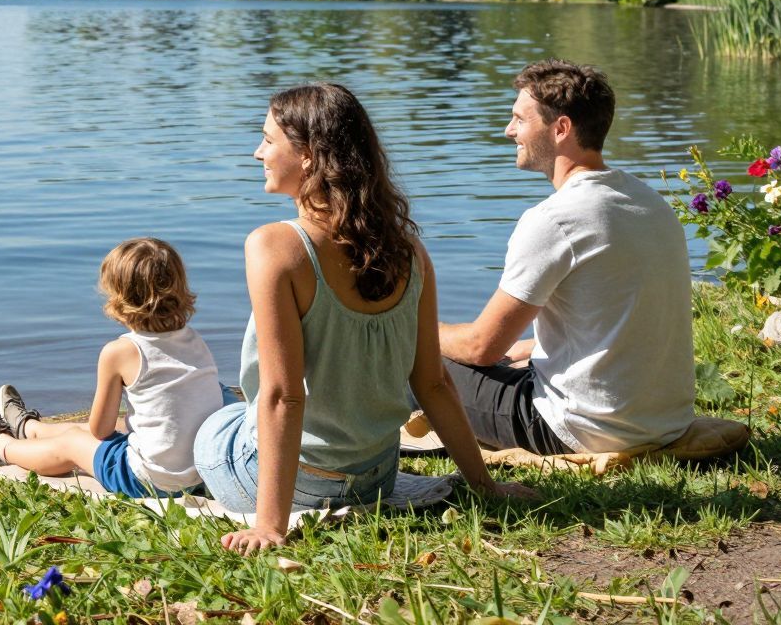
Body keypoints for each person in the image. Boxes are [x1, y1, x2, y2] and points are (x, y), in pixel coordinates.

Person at [194, 83, 535, 555]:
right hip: (375, 477)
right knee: (235, 410)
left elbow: (282, 396)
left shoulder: (274, 246)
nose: (257, 153)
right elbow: (433, 383)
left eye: (268, 140)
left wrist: (271, 524)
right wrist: (485, 486)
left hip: (303, 484)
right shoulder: (410, 251)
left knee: (212, 426)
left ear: (309, 155)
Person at [437, 59, 695, 455]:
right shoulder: (649, 202)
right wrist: (521, 352)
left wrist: (414, 331)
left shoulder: (554, 220)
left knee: (413, 360)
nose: (509, 131)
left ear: (561, 129)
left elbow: (479, 348)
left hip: (578, 429)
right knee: (505, 355)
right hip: (665, 422)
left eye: (520, 120)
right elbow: (605, 330)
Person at [0, 237, 225, 499]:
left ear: (120, 297)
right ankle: (30, 430)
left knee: (73, 443)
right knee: (121, 425)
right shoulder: (194, 339)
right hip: (197, 473)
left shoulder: (120, 352)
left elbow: (99, 431)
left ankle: (0, 447)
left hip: (149, 480)